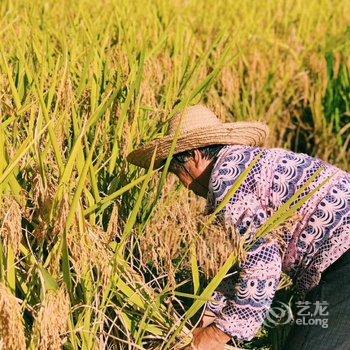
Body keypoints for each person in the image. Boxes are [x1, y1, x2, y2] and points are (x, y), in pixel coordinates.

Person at [127, 105, 350, 350]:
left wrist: (215, 334)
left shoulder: (228, 178)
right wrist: (210, 310)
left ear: (195, 155)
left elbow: (262, 263)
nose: (185, 186)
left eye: (176, 172)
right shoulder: (246, 164)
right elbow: (245, 262)